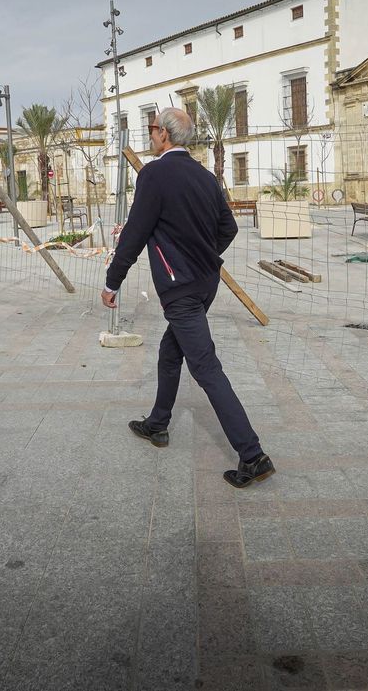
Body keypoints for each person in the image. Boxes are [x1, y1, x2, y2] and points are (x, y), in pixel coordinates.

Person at [101, 107, 274, 488]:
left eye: (152, 129)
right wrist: (204, 255)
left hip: (180, 289)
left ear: (164, 134)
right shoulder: (205, 176)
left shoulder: (154, 174)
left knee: (205, 367)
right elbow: (228, 228)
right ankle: (158, 423)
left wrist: (112, 283)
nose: (150, 135)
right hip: (205, 283)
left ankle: (253, 455)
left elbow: (134, 234)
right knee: (170, 352)